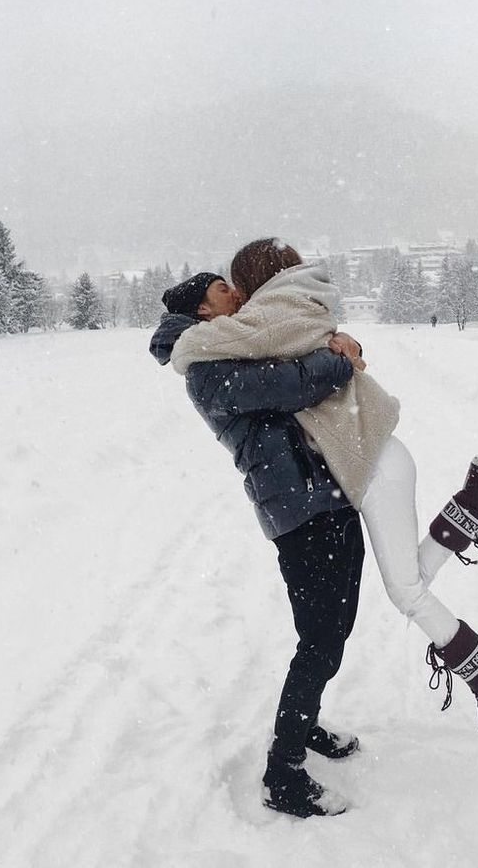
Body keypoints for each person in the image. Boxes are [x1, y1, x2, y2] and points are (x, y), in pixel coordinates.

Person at [168, 241, 478, 748]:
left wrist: (333, 348)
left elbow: (280, 362)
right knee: (397, 591)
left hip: (367, 465)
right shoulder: (267, 324)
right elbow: (282, 361)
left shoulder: (269, 318)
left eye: (237, 283)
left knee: (404, 592)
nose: (235, 295)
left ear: (259, 282)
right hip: (364, 462)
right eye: (224, 289)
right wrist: (335, 345)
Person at [150, 271, 368, 819]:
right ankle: (283, 774)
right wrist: (339, 357)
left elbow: (300, 358)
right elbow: (296, 381)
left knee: (334, 629)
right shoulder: (204, 368)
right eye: (224, 290)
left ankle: (306, 723)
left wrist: (344, 344)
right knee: (320, 638)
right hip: (299, 512)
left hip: (329, 494)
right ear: (203, 312)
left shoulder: (239, 343)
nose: (237, 295)